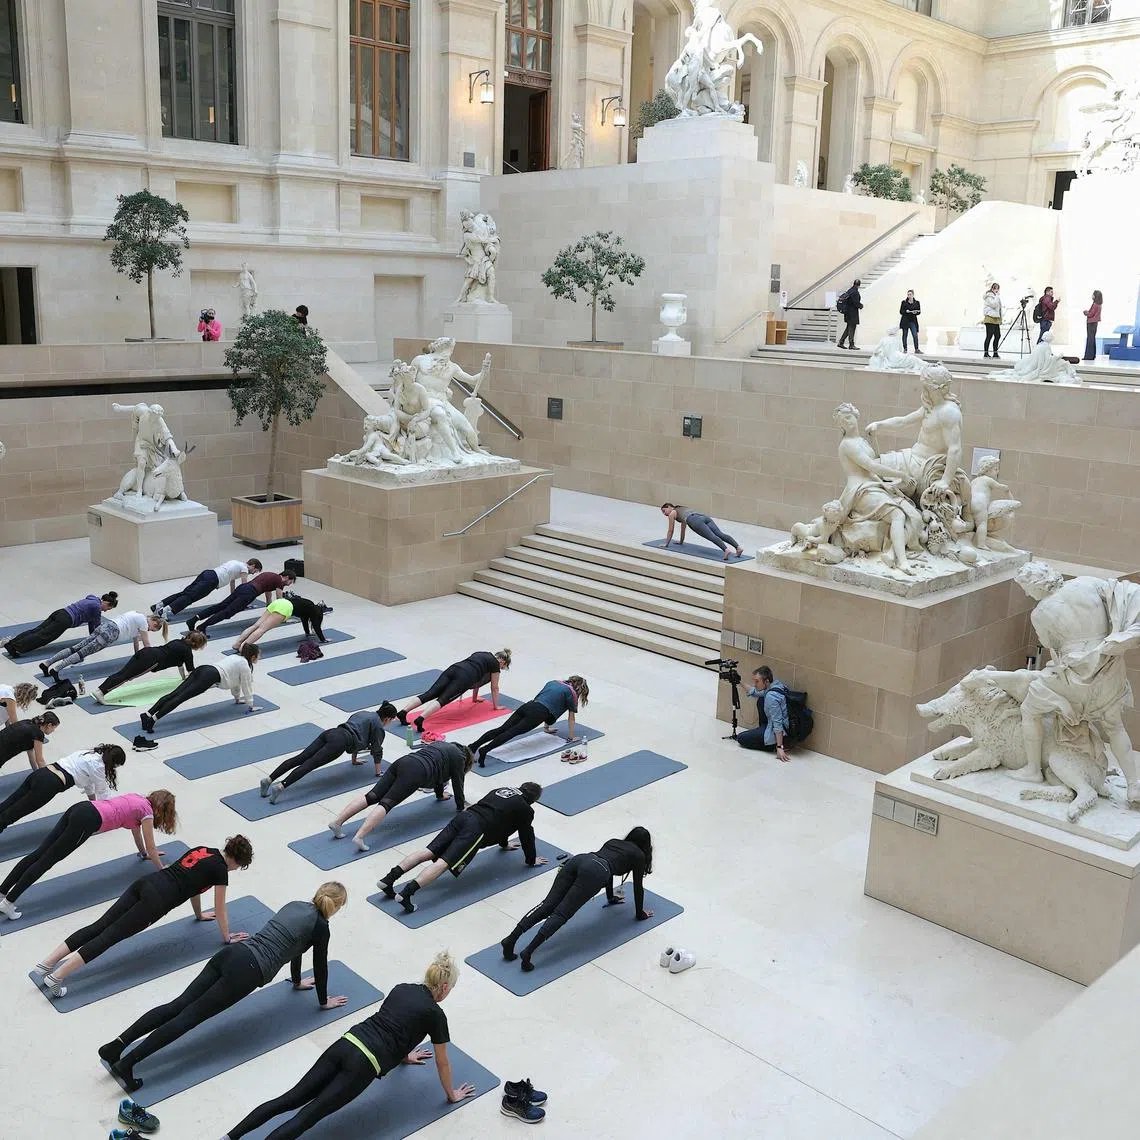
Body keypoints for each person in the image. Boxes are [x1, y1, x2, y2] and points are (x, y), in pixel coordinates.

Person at [101, 882, 350, 1093]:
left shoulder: (295, 905)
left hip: (232, 954)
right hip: (248, 971)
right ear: (337, 906)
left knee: (177, 1005)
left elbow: (296, 948)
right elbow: (319, 966)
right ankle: (128, 1063)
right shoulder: (321, 927)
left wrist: (296, 981)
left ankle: (117, 1046)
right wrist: (323, 1001)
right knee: (188, 1018)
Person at [220, 950, 474, 1140]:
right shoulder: (435, 1014)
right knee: (309, 1115)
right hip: (363, 1064)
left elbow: (396, 1023)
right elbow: (442, 1061)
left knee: (288, 1099)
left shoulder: (402, 989)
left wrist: (404, 1055)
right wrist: (451, 1095)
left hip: (346, 1043)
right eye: (451, 988)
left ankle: (229, 1137)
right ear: (443, 987)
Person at [32, 834, 253, 999]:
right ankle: (57, 976)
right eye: (240, 866)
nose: (236, 870)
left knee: (100, 925)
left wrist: (198, 914)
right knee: (109, 937)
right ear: (237, 861)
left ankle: (46, 964)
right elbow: (220, 906)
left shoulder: (205, 849)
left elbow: (195, 886)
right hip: (156, 902)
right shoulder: (221, 870)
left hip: (146, 883)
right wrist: (226, 937)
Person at [0, 790, 177, 921]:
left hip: (81, 808)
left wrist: (144, 854)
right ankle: (8, 903)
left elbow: (137, 834)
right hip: (88, 820)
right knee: (47, 861)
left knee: (38, 854)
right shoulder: (147, 813)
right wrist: (161, 869)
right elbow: (151, 844)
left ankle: (2, 892)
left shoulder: (137, 799)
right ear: (163, 808)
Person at [500, 827, 655, 971]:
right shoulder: (639, 855)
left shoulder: (614, 842)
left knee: (547, 905)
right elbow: (637, 886)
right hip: (596, 871)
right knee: (561, 913)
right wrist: (640, 912)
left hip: (581, 859)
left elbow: (608, 868)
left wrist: (610, 897)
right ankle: (528, 951)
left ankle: (511, 939)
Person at [377, 783, 546, 914]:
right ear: (533, 799)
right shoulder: (525, 809)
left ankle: (388, 880)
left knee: (428, 852)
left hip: (464, 817)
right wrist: (531, 860)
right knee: (443, 863)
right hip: (476, 829)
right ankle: (406, 894)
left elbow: (502, 821)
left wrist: (504, 844)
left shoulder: (502, 790)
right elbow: (526, 834)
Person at [329, 741, 474, 851]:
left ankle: (337, 822)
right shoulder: (459, 758)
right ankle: (359, 836)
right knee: (387, 803)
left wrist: (440, 795)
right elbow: (458, 782)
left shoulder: (442, 745)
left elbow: (439, 772)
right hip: (417, 771)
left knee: (372, 796)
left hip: (403, 762)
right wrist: (461, 807)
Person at [261, 703, 399, 804]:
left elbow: (357, 733)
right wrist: (378, 772)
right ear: (388, 718)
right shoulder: (378, 726)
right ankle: (281, 786)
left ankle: (269, 779)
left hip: (331, 733)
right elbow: (376, 749)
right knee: (309, 765)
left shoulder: (364, 713)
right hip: (340, 743)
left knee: (300, 758)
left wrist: (354, 760)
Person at [0, 742, 125, 835]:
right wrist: (108, 815)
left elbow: (89, 783)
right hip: (49, 784)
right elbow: (102, 792)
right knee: (12, 814)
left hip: (40, 774)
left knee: (7, 804)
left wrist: (93, 803)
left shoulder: (89, 753)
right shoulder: (99, 767)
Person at [469, 676, 589, 767]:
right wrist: (571, 737)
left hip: (529, 705)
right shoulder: (571, 693)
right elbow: (571, 717)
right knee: (511, 732)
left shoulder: (554, 682)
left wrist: (547, 728)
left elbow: (549, 700)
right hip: (538, 713)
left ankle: (473, 746)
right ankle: (485, 750)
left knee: (502, 729)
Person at [140, 644, 260, 733]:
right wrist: (251, 704)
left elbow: (236, 683)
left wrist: (237, 699)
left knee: (174, 694)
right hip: (209, 676)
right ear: (253, 656)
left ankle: (147, 714)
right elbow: (246, 685)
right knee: (180, 698)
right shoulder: (245, 665)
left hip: (203, 669)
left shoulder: (236, 657)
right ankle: (153, 720)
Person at [396, 649, 512, 732]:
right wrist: (496, 707)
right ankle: (420, 719)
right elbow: (494, 687)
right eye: (502, 667)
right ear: (502, 662)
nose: (501, 669)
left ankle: (403, 712)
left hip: (455, 668)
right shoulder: (494, 665)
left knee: (430, 693)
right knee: (443, 699)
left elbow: (478, 681)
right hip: (465, 677)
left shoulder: (481, 653)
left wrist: (474, 698)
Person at [41, 611, 167, 680]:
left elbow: (136, 640)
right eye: (152, 630)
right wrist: (150, 657)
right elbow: (147, 643)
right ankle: (56, 670)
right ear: (154, 622)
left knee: (77, 647)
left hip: (105, 626)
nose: (149, 630)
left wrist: (137, 655)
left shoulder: (136, 615)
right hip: (111, 634)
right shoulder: (144, 623)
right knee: (82, 653)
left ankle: (47, 664)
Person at [92, 630, 208, 703]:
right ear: (196, 644)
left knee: (122, 673)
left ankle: (100, 689)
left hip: (147, 652)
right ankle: (102, 692)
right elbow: (191, 671)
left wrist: (183, 677)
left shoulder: (177, 641)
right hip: (151, 661)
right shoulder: (187, 652)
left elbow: (180, 664)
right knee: (126, 677)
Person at [1, 591, 119, 659]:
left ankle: (12, 643)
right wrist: (96, 639)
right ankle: (15, 648)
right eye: (108, 608)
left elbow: (91, 625)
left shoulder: (92, 599)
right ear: (106, 603)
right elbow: (96, 626)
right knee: (43, 637)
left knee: (37, 631)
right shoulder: (96, 608)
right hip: (65, 620)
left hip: (60, 613)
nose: (106, 611)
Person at [187, 569, 295, 636]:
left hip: (243, 588)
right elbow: (280, 600)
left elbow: (268, 594)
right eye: (290, 582)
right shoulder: (279, 581)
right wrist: (281, 616)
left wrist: (269, 607)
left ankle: (194, 619)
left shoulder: (270, 575)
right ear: (286, 577)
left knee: (220, 606)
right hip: (249, 593)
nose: (289, 585)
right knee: (227, 612)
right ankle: (202, 627)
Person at [152, 559, 261, 621]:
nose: (254, 573)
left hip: (208, 573)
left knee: (186, 593)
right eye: (256, 570)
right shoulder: (245, 569)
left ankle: (159, 605)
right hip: (212, 581)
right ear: (253, 565)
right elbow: (244, 584)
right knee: (189, 597)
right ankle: (163, 611)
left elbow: (232, 581)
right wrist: (243, 598)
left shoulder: (236, 562)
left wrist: (233, 596)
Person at [736, 666, 793, 760]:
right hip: (773, 725)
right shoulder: (776, 685)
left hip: (779, 731)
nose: (754, 684)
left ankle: (772, 745)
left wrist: (779, 747)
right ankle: (764, 732)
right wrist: (739, 681)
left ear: (766, 681)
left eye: (757, 681)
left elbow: (777, 722)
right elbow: (754, 692)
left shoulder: (771, 697)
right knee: (761, 699)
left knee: (741, 738)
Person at [660, 504, 743, 560]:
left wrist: (666, 544)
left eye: (664, 510)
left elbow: (671, 530)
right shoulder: (681, 510)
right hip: (703, 516)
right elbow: (683, 529)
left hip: (694, 520)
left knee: (711, 536)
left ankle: (726, 550)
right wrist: (681, 541)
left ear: (669, 507)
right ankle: (738, 548)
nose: (664, 514)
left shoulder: (672, 513)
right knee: (720, 534)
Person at [837, 279, 862, 350]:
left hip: (847, 312)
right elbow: (856, 302)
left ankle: (841, 342)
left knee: (848, 328)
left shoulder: (850, 290)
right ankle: (851, 344)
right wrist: (861, 306)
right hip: (852, 313)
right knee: (852, 328)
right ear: (859, 285)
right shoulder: (855, 292)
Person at [982, 282, 1003, 359]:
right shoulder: (989, 296)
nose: (996, 289)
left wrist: (1001, 319)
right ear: (991, 288)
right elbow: (994, 305)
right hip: (990, 318)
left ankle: (995, 353)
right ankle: (986, 353)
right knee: (989, 336)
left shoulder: (996, 296)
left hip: (996, 318)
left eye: (997, 288)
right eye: (994, 288)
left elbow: (999, 309)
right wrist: (997, 296)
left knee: (998, 335)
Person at [1084, 289, 1103, 361]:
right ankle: (1092, 355)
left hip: (1091, 322)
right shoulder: (1099, 305)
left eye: (1093, 294)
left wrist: (1085, 312)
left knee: (1090, 339)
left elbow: (1091, 314)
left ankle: (1088, 356)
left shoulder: (1095, 305)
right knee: (1092, 338)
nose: (1092, 296)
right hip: (1095, 323)